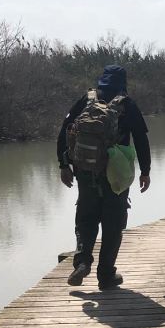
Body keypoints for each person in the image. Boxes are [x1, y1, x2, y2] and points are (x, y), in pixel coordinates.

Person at [58, 65, 151, 290]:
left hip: (86, 171)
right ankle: (106, 275)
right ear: (123, 83)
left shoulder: (87, 100)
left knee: (86, 219)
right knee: (113, 223)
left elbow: (64, 131)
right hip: (115, 174)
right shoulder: (127, 105)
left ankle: (82, 262)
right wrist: (146, 171)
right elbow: (141, 139)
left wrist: (64, 165)